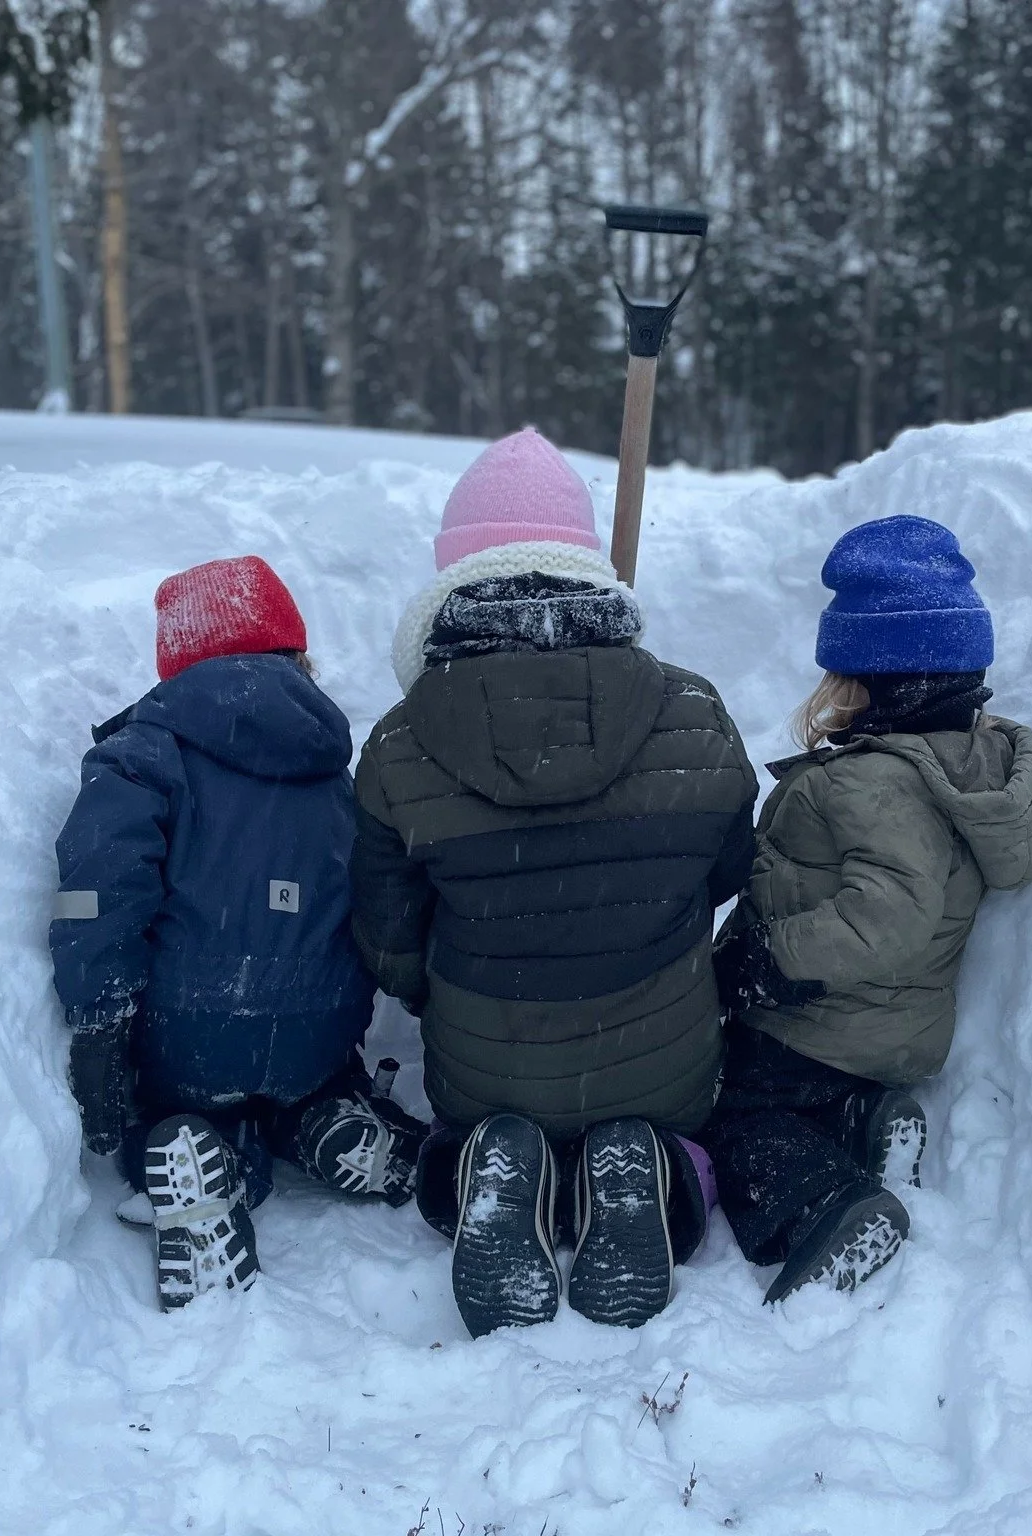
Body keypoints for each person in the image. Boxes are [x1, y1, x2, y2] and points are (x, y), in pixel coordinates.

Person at [350, 427, 758, 1338]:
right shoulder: (694, 712)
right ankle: (654, 1165)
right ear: (587, 565)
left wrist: (431, 992)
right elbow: (731, 871)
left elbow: (386, 935)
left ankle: (491, 1164)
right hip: (667, 1067)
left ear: (454, 580)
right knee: (678, 1132)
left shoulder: (401, 742)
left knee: (466, 1135)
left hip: (484, 1068)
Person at [49, 556, 424, 1311]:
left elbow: (99, 889)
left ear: (179, 662)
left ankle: (201, 1160)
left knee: (174, 1112)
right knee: (308, 1082)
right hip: (319, 1022)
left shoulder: (142, 754)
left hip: (190, 1024)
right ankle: (323, 1117)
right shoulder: (332, 765)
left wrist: (100, 1019)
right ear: (294, 652)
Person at [707, 514, 1032, 1304]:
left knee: (737, 1116)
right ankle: (864, 1119)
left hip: (815, 1025)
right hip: (894, 1032)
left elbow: (890, 913)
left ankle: (826, 1207)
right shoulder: (972, 763)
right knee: (802, 1100)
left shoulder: (870, 783)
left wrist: (767, 961)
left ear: (871, 680)